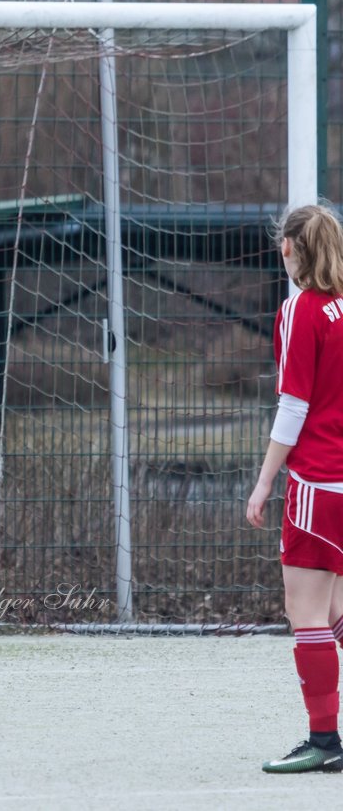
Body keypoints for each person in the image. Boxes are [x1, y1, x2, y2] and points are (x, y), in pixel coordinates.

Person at [247, 203, 343, 773]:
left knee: (304, 612)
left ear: (288, 249)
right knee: (334, 610)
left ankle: (325, 741)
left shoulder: (299, 310)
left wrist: (263, 484)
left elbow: (294, 406)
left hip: (318, 480)